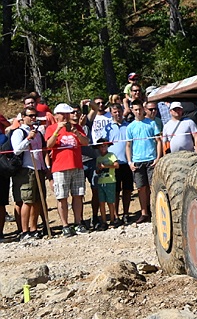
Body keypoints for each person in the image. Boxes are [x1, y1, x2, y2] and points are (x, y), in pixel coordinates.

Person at [45, 103, 90, 236]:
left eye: (67, 114)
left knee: (78, 195)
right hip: (60, 167)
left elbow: (85, 142)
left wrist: (77, 132)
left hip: (76, 165)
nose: (66, 116)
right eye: (63, 114)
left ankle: (78, 223)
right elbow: (48, 145)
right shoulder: (51, 128)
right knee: (62, 197)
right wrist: (57, 131)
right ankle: (65, 225)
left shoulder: (76, 127)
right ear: (56, 115)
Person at [10, 108, 47, 240]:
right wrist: (28, 139)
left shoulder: (37, 132)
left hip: (38, 168)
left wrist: (44, 167)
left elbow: (41, 150)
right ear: (23, 117)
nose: (33, 118)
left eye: (35, 115)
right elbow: (17, 150)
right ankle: (24, 230)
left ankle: (33, 228)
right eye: (30, 116)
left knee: (37, 200)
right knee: (27, 200)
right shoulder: (19, 132)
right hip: (26, 169)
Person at [96, 103, 133, 223]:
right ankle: (115, 215)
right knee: (115, 191)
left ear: (123, 111)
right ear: (111, 113)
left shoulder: (129, 126)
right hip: (113, 163)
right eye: (115, 112)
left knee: (127, 190)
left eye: (119, 111)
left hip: (126, 162)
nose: (118, 114)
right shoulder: (107, 128)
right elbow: (102, 143)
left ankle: (126, 214)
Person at [126, 101, 161, 223]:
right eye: (135, 109)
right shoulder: (130, 127)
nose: (138, 111)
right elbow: (128, 145)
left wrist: (158, 157)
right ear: (132, 110)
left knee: (153, 186)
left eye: (140, 109)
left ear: (143, 109)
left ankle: (155, 211)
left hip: (151, 159)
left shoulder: (151, 123)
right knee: (141, 188)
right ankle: (144, 212)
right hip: (137, 160)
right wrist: (130, 161)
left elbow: (158, 141)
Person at [93, 139, 119, 229]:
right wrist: (99, 169)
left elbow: (116, 165)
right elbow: (97, 170)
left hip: (110, 181)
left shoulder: (111, 155)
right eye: (101, 146)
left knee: (110, 202)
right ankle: (104, 221)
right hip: (101, 181)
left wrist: (106, 166)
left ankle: (112, 219)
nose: (103, 147)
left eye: (104, 146)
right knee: (101, 202)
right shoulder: (98, 158)